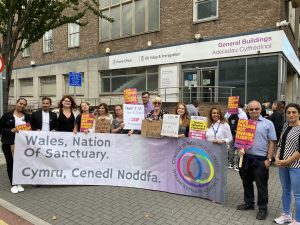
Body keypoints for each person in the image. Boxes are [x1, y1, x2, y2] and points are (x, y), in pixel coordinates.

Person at [237, 100, 277, 220]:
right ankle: (249, 203)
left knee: (261, 185)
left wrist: (269, 159)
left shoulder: (268, 123)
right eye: (251, 109)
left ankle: (263, 208)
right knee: (246, 182)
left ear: (260, 110)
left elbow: (271, 142)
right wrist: (240, 148)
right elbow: (240, 141)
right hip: (246, 158)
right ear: (247, 110)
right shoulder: (244, 124)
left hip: (261, 159)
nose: (254, 111)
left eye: (256, 109)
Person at [274, 103, 300, 225]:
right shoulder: (285, 126)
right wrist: (277, 156)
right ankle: (286, 215)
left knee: (298, 194)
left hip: (296, 166)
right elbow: (280, 143)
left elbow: (299, 151)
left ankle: (298, 220)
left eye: (294, 112)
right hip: (283, 165)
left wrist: (286, 161)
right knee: (285, 190)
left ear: (299, 114)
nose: (291, 114)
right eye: (288, 112)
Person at [0, 98, 31, 193]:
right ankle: (13, 184)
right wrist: (10, 130)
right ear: (16, 103)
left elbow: (30, 128)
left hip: (22, 145)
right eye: (20, 103)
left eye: (24, 105)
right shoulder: (7, 115)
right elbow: (0, 128)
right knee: (10, 163)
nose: (22, 106)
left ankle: (19, 182)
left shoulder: (27, 116)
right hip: (9, 143)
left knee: (19, 164)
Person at [225, 105, 248, 171]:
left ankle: (230, 164)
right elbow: (245, 124)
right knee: (238, 149)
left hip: (231, 134)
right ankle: (236, 165)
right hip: (239, 134)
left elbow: (225, 120)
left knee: (231, 149)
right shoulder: (243, 114)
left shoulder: (229, 113)